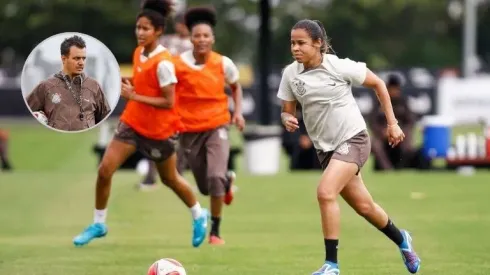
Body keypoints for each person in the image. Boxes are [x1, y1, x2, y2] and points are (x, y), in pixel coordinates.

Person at [277, 19, 421, 274]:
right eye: (292, 43)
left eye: (301, 43)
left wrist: (392, 123)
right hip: (327, 150)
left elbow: (378, 83)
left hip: (353, 139)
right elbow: (287, 110)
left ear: (318, 43)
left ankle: (331, 265)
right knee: (365, 207)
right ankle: (402, 240)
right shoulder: (291, 74)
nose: (295, 48)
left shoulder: (339, 66)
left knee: (325, 192)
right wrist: (287, 118)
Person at [72, 0, 209, 248]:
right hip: (132, 122)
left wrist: (133, 96)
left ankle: (199, 214)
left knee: (170, 180)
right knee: (105, 170)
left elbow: (169, 101)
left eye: (145, 28)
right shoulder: (138, 52)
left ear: (158, 31)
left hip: (159, 130)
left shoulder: (165, 62)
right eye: (138, 27)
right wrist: (125, 84)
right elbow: (143, 82)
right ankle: (99, 223)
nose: (140, 32)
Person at [172, 6, 245, 245]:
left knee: (215, 178)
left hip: (217, 126)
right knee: (205, 187)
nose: (202, 39)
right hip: (188, 131)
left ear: (212, 38)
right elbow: (169, 93)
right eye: (197, 36)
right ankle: (228, 181)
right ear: (190, 39)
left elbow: (235, 87)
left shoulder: (223, 63)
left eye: (206, 35)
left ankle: (215, 232)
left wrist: (238, 113)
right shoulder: (178, 65)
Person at [139, 12, 193, 190]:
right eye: (183, 24)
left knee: (184, 138)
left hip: (185, 96)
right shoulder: (167, 42)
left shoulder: (196, 43)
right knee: (155, 135)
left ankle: (177, 175)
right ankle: (150, 176)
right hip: (165, 93)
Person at [26, 35, 111, 131]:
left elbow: (105, 117)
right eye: (76, 58)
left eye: (83, 58)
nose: (81, 62)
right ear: (64, 59)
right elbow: (26, 112)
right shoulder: (46, 86)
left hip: (84, 142)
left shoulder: (94, 86)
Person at [369, 74, 431, 171]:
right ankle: (387, 169)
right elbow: (372, 121)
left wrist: (401, 131)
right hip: (383, 135)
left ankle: (403, 165)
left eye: (396, 89)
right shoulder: (378, 101)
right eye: (391, 89)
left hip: (400, 134)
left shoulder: (403, 102)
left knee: (408, 142)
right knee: (375, 143)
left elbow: (410, 121)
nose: (394, 92)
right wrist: (382, 132)